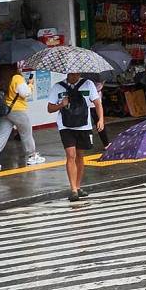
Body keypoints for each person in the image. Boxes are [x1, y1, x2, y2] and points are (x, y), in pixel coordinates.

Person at [48, 71, 103, 203]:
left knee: (80, 155)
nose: (75, 76)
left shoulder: (88, 84)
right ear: (68, 73)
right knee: (70, 155)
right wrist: (61, 104)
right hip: (65, 126)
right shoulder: (58, 87)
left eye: (77, 74)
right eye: (73, 74)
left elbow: (97, 103)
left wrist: (101, 119)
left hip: (84, 126)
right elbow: (50, 108)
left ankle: (78, 186)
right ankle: (73, 189)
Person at [0, 64, 42, 172]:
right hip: (17, 110)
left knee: (2, 134)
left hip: (5, 110)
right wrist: (30, 85)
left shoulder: (0, 78)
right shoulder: (17, 78)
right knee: (26, 132)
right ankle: (32, 156)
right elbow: (25, 93)